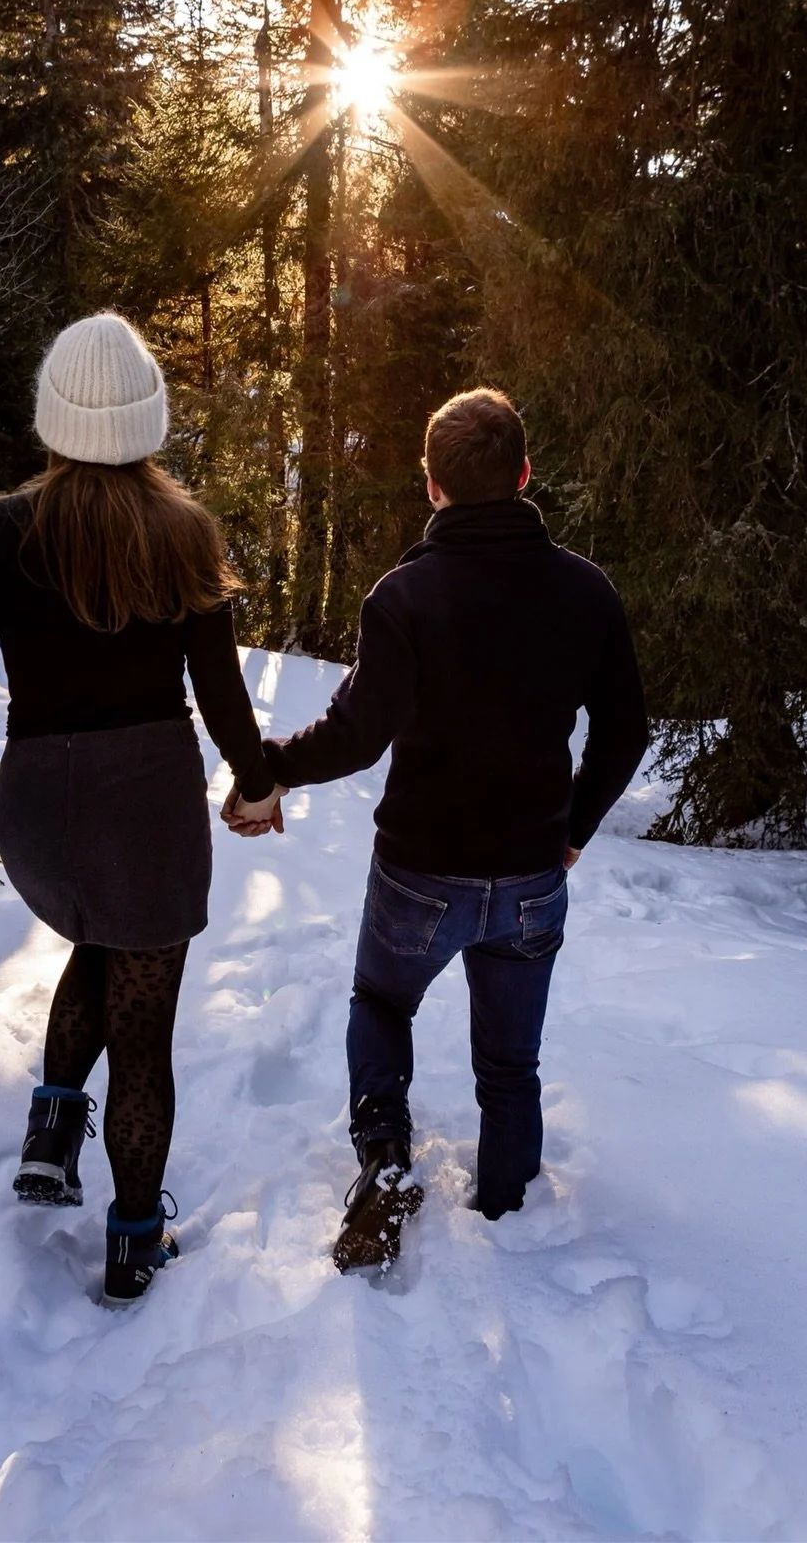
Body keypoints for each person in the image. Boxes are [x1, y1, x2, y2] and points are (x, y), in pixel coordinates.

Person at [222, 388, 649, 1270]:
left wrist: (265, 772)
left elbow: (356, 733)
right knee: (510, 1065)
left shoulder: (405, 596)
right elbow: (625, 729)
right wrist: (574, 825)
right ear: (525, 475)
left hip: (421, 873)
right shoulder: (586, 591)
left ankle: (383, 1169)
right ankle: (507, 1215)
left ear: (432, 485)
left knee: (382, 1002)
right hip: (532, 876)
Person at [0, 312, 282, 1306]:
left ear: (55, 416)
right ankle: (133, 1241)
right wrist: (255, 784)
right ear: (146, 420)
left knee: (96, 938)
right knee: (144, 1021)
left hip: (40, 810)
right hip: (147, 806)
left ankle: (50, 1124)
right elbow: (219, 693)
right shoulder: (184, 533)